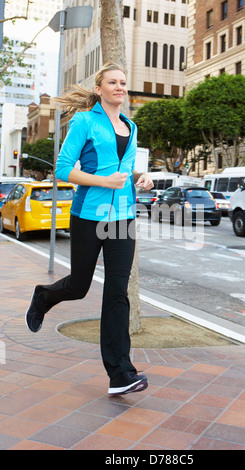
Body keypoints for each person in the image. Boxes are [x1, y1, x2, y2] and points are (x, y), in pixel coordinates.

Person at [25, 62, 153, 396]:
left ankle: (121, 373)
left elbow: (123, 170)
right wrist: (103, 181)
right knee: (80, 285)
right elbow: (63, 169)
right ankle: (44, 296)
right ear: (99, 88)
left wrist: (141, 179)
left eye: (124, 82)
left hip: (123, 217)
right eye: (113, 82)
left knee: (117, 292)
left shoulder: (131, 126)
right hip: (88, 216)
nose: (120, 87)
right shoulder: (84, 121)